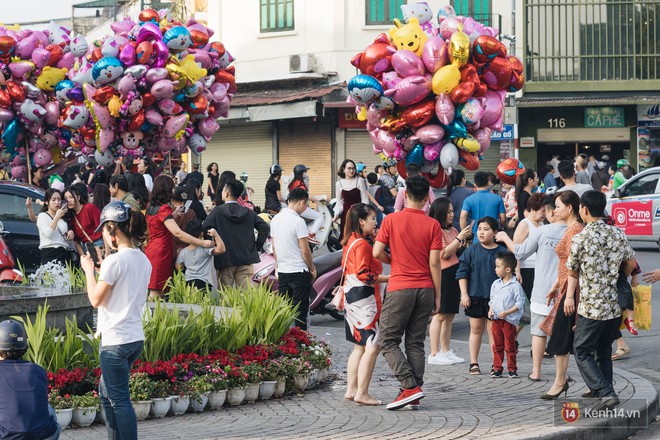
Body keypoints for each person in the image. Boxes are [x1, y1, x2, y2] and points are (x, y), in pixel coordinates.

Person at [80, 201, 150, 440]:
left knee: (119, 400)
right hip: (134, 338)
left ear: (113, 230)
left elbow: (95, 300)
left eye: (104, 230)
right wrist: (103, 271)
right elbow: (124, 285)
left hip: (115, 342)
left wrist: (89, 270)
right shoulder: (143, 259)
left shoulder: (115, 261)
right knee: (106, 392)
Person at [372, 175, 442, 411]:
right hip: (425, 289)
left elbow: (376, 252)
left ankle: (409, 387)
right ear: (426, 199)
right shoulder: (433, 225)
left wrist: (393, 260)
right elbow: (435, 263)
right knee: (415, 342)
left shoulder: (391, 220)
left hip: (401, 286)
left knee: (388, 340)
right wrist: (437, 295)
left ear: (405, 195)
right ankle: (414, 390)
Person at [565, 191, 635, 410]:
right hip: (614, 305)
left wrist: (569, 297)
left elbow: (573, 271)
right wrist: (615, 274)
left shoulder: (581, 238)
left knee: (582, 350)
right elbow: (631, 264)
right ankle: (603, 395)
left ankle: (606, 392)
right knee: (603, 351)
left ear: (584, 209)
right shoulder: (618, 233)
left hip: (591, 307)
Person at [496, 195, 565, 381]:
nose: (545, 213)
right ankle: (560, 376)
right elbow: (518, 251)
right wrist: (517, 271)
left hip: (542, 280)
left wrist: (503, 237)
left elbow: (519, 250)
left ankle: (536, 369)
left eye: (547, 210)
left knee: (537, 325)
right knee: (551, 327)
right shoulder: (572, 230)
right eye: (541, 210)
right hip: (547, 280)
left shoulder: (543, 230)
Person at [341, 203, 388, 406]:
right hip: (363, 300)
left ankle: (352, 389)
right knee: (372, 345)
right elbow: (365, 275)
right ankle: (362, 392)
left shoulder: (351, 241)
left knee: (359, 347)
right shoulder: (361, 244)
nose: (375, 222)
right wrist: (389, 278)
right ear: (361, 221)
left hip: (352, 299)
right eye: (372, 219)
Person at [538, 190, 583, 400]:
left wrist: (569, 295)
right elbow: (566, 263)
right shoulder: (571, 228)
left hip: (572, 291)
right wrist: (556, 284)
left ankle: (560, 381)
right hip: (565, 288)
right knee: (563, 338)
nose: (554, 210)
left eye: (557, 206)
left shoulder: (575, 230)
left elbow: (575, 266)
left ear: (570, 208)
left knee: (562, 338)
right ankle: (562, 381)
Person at [145, 175, 214, 299]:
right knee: (158, 292)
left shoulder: (150, 206)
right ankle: (152, 318)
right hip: (162, 252)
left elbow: (158, 224)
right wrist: (202, 242)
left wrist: (173, 215)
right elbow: (177, 233)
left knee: (156, 290)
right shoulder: (164, 209)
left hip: (152, 249)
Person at [456, 216, 507, 375]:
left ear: (495, 232)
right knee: (476, 329)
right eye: (479, 229)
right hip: (475, 296)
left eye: (486, 229)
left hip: (495, 299)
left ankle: (496, 364)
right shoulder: (471, 250)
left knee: (494, 331)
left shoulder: (502, 252)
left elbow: (507, 276)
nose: (481, 232)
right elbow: (462, 273)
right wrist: (464, 294)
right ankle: (473, 363)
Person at [428, 198, 471, 365]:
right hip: (443, 274)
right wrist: (459, 239)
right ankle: (433, 353)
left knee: (450, 315)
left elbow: (456, 250)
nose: (453, 214)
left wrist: (463, 240)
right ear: (440, 213)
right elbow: (444, 254)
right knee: (440, 315)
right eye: (449, 212)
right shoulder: (436, 230)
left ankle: (445, 350)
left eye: (453, 211)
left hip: (454, 272)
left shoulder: (452, 229)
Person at [203, 179, 269, 289]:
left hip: (225, 259)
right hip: (246, 258)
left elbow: (205, 227)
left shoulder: (218, 212)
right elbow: (264, 227)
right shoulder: (248, 212)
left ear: (227, 193)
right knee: (246, 295)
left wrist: (214, 245)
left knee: (226, 295)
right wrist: (256, 246)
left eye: (223, 190)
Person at [0, 319, 60, 440]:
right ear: (25, 347)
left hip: (7, 436)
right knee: (48, 408)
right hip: (43, 435)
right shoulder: (38, 370)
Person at [269, 188, 316, 330]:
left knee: (285, 310)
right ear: (302, 202)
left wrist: (279, 264)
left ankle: (287, 342)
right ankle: (302, 342)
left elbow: (274, 247)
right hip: (299, 272)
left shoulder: (276, 219)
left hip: (283, 271)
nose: (305, 208)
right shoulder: (298, 221)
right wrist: (312, 268)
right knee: (300, 311)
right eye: (306, 205)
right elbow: (305, 250)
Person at [488, 252, 526, 378]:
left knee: (509, 345)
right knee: (497, 345)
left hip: (509, 320)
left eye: (498, 266)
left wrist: (507, 313)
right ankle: (497, 367)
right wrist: (490, 309)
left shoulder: (515, 285)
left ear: (508, 269)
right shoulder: (495, 284)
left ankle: (512, 368)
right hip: (496, 319)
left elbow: (520, 303)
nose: (495, 269)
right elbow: (492, 300)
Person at [175, 219, 225, 293]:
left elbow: (178, 267)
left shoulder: (183, 251)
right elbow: (221, 250)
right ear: (201, 233)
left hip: (188, 283)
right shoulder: (205, 249)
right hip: (203, 282)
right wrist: (216, 235)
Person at [36, 189, 74, 266]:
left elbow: (66, 240)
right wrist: (56, 217)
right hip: (49, 253)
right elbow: (48, 234)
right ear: (47, 202)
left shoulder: (64, 217)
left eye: (59, 199)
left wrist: (71, 233)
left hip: (64, 253)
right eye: (53, 200)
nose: (57, 202)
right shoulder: (42, 216)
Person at [64, 185, 102, 258]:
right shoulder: (71, 216)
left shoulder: (89, 208)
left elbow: (103, 228)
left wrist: (107, 251)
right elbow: (76, 241)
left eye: (71, 197)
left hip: (99, 244)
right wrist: (83, 256)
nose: (68, 200)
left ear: (78, 197)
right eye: (66, 198)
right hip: (86, 248)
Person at [334, 160, 369, 239]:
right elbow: (339, 202)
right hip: (346, 216)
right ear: (343, 169)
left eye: (353, 168)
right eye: (349, 168)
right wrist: (336, 213)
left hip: (359, 214)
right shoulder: (339, 184)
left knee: (360, 237)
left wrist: (366, 214)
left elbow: (364, 199)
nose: (351, 170)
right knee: (346, 238)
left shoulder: (359, 180)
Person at [287, 164, 323, 239]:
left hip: (293, 206)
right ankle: (312, 235)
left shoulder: (293, 183)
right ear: (302, 173)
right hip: (300, 207)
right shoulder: (300, 184)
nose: (306, 174)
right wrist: (319, 198)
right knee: (320, 217)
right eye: (305, 172)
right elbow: (306, 196)